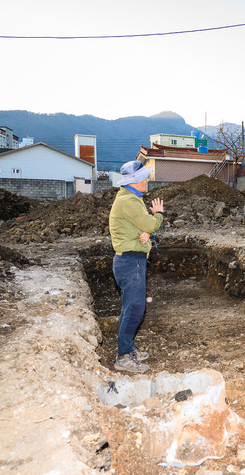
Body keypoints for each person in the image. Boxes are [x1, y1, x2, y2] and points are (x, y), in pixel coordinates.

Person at [108, 160, 164, 373]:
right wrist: (158, 214)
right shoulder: (129, 202)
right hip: (130, 263)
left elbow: (142, 228)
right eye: (145, 177)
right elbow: (149, 223)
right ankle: (123, 356)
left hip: (131, 261)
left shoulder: (130, 198)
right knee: (134, 309)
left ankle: (128, 348)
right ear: (137, 180)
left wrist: (147, 232)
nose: (148, 180)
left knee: (131, 307)